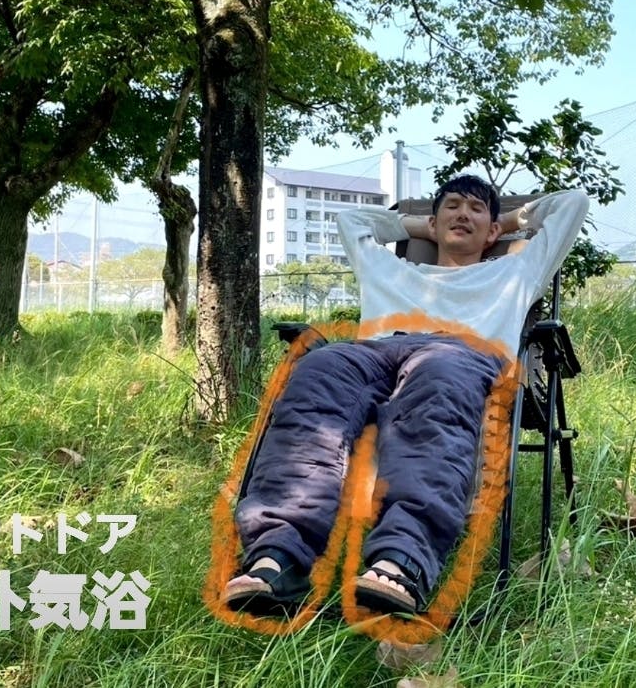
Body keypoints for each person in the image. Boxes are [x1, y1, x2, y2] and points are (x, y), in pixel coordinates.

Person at [224, 175, 589, 617]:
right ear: (432, 223)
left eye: (476, 209)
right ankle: (278, 554)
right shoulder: (387, 268)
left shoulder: (516, 271)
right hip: (374, 353)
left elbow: (572, 203)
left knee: (436, 383)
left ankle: (402, 558)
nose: (462, 214)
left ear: (494, 231)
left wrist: (507, 220)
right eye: (452, 206)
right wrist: (421, 224)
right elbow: (351, 220)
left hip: (459, 355)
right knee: (318, 368)